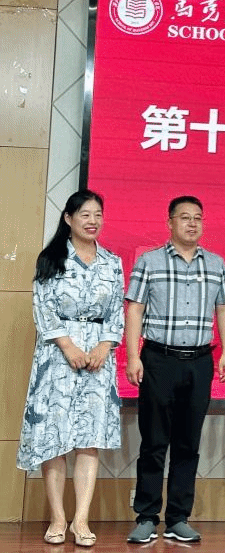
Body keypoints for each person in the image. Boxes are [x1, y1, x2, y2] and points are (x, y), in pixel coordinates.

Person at [124, 195, 225, 544]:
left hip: (200, 361)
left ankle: (178, 518)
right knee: (154, 441)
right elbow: (134, 309)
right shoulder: (149, 261)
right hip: (158, 359)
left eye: (198, 218)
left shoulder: (215, 264)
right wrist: (132, 356)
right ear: (170, 222)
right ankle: (146, 517)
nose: (192, 223)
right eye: (185, 217)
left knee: (188, 443)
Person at [16, 189, 124, 547]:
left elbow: (117, 312)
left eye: (98, 215)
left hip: (98, 359)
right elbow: (43, 307)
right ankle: (58, 519)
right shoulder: (51, 258)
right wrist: (68, 346)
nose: (92, 221)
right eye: (85, 215)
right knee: (55, 438)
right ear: (68, 219)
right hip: (57, 357)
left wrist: (104, 346)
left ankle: (81, 520)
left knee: (89, 440)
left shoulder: (112, 262)